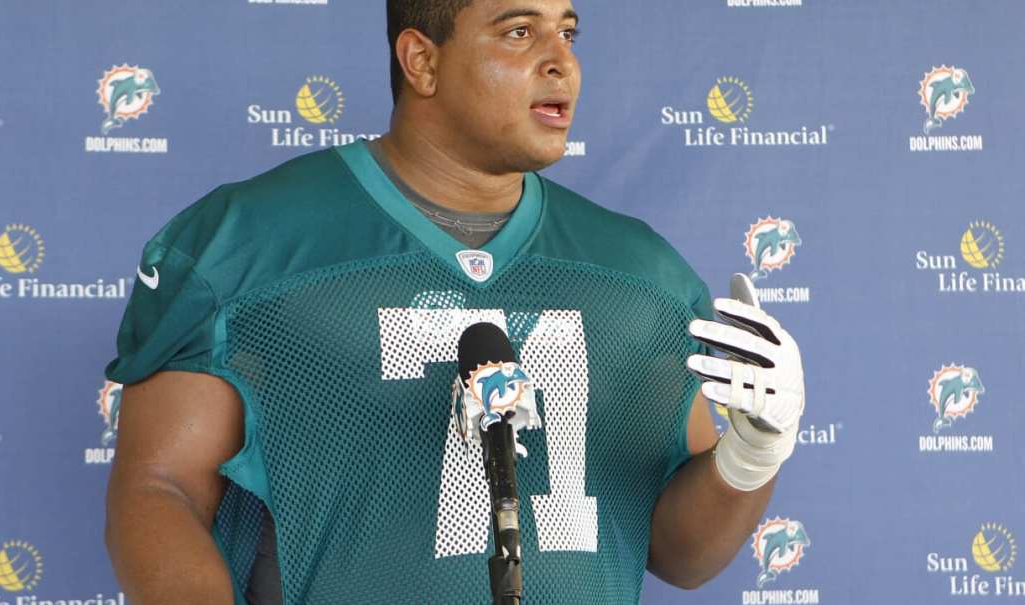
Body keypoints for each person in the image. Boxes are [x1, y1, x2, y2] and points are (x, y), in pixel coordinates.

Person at [103, 1, 806, 603]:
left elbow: (680, 556)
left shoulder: (643, 273)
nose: (561, 60)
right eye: (519, 32)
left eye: (569, 31)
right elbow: (160, 489)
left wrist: (752, 454)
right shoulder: (246, 242)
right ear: (422, 61)